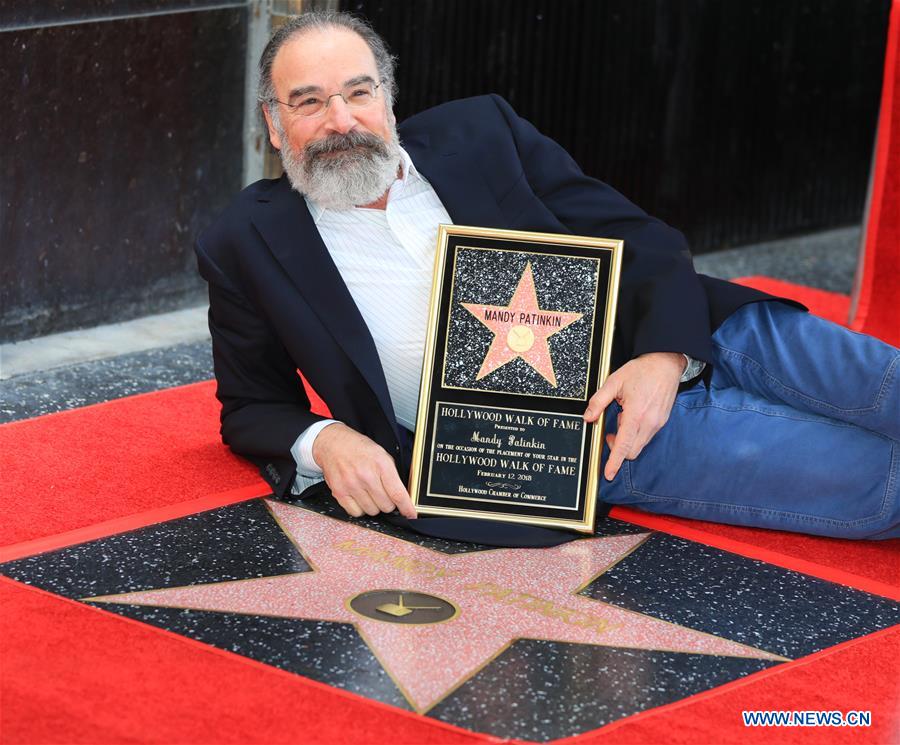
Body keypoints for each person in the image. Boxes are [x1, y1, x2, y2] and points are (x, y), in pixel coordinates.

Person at [195, 11, 900, 544]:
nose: (342, 120)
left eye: (359, 92)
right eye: (309, 102)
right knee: (881, 486)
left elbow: (640, 237)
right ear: (274, 125)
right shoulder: (245, 241)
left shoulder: (482, 132)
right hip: (594, 441)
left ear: (389, 99)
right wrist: (326, 440)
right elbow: (252, 405)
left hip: (704, 331)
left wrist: (665, 355)